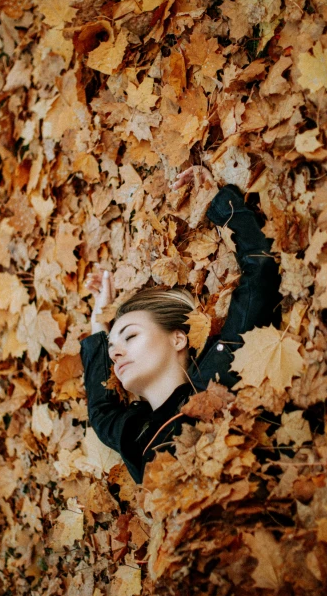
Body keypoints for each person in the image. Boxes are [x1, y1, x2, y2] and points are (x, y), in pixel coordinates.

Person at [80, 167, 280, 484]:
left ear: (178, 339)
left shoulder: (215, 378)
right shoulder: (132, 433)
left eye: (130, 335)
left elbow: (260, 275)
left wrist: (215, 200)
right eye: (113, 348)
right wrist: (98, 320)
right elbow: (100, 410)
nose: (115, 354)